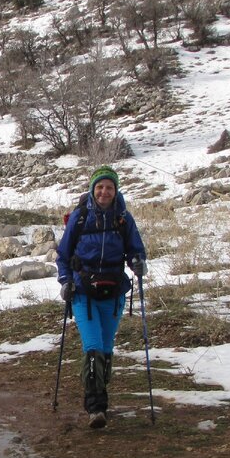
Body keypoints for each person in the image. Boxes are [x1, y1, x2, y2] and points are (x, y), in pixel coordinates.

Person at [55, 166, 147, 429]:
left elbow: (135, 251)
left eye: (109, 187)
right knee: (93, 346)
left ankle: (99, 398)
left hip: (114, 293)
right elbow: (63, 255)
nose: (104, 192)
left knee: (106, 350)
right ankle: (95, 407)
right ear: (92, 189)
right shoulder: (80, 218)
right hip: (84, 292)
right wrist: (65, 282)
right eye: (100, 187)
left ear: (115, 190)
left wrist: (139, 263)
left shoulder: (123, 218)